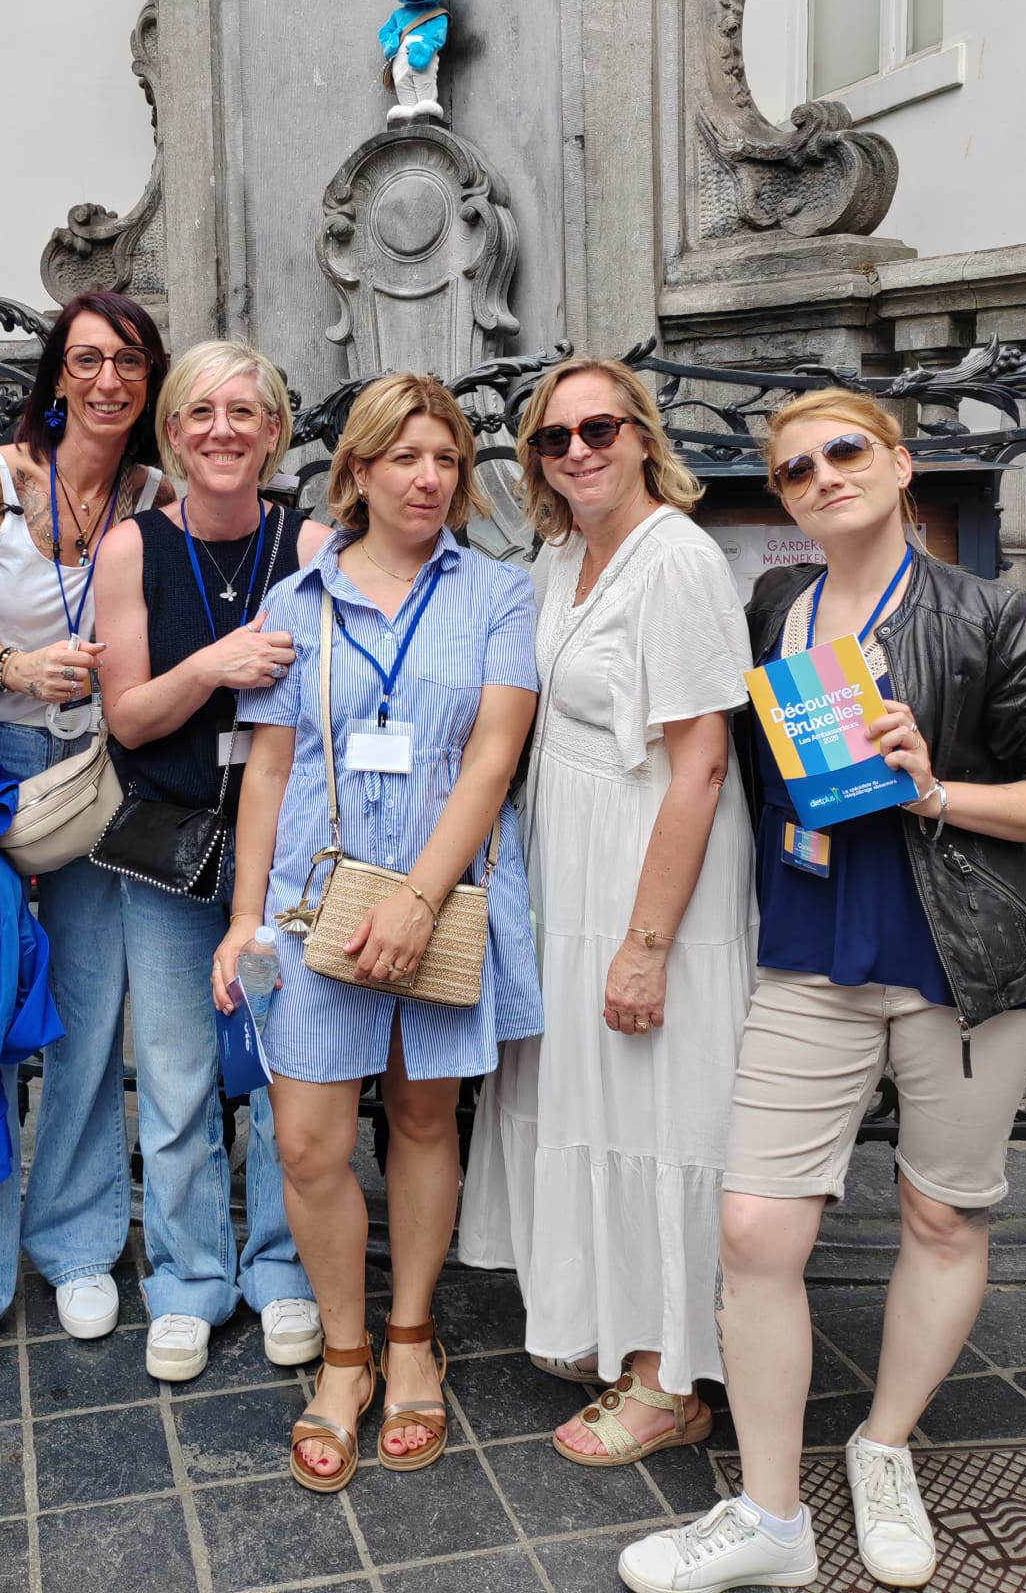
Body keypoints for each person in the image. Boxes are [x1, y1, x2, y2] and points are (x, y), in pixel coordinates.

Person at [619, 389, 1026, 1593]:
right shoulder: (769, 613)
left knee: (944, 1215)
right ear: (785, 500)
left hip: (962, 960)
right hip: (809, 953)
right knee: (756, 1228)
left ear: (901, 465)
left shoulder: (990, 613)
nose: (823, 474)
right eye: (797, 467)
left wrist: (934, 788)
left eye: (846, 449)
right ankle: (770, 1515)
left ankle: (885, 1442)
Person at [222, 372, 541, 1492]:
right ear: (355, 471)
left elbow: (494, 756)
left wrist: (415, 899)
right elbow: (268, 768)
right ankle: (341, 1353)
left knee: (420, 1113)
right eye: (404, 457)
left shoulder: (498, 594)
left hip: (444, 902)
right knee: (307, 1139)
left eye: (446, 458)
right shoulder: (294, 601)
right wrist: (242, 918)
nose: (428, 478)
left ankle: (408, 1339)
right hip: (317, 906)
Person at [460, 356, 757, 1469]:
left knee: (655, 1102)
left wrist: (647, 944)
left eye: (599, 429)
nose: (577, 450)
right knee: (593, 1093)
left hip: (650, 857)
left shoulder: (677, 558)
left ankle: (673, 1374)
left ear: (643, 435)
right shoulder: (559, 555)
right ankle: (617, 1324)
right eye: (553, 437)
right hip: (572, 848)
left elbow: (704, 765)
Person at [0, 289, 171, 1382]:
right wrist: (11, 665)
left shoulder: (156, 495)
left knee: (92, 1016)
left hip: (104, 778)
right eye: (89, 359)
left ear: (149, 381)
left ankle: (80, 1240)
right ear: (57, 371)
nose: (108, 381)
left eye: (130, 363)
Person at [95, 339, 329, 1384]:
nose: (223, 428)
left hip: (286, 870)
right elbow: (130, 716)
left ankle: (284, 1266)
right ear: (174, 432)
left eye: (246, 410)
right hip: (174, 858)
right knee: (182, 1078)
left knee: (287, 1069)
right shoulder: (133, 550)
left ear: (275, 431)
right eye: (201, 412)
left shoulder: (313, 543)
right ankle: (188, 1277)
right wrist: (212, 663)